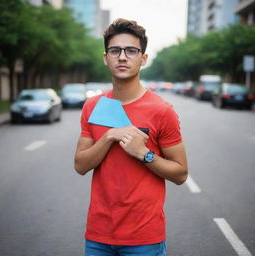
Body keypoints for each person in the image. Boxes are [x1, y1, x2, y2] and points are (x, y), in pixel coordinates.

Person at [74, 18, 188, 256]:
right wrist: (108, 137)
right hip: (98, 236)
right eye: (115, 51)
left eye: (131, 51)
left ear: (143, 58)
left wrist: (144, 154)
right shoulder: (93, 106)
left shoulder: (161, 110)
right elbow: (80, 165)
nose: (123, 57)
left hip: (144, 238)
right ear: (106, 58)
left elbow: (180, 173)